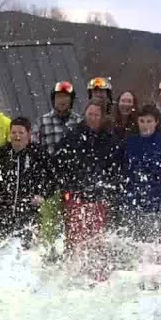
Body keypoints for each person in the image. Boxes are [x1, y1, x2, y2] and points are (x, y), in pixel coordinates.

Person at [56, 101, 123, 267]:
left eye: (96, 115)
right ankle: (73, 269)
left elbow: (116, 167)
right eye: (90, 114)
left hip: (99, 197)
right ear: (85, 115)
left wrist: (108, 186)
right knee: (75, 238)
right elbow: (59, 163)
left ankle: (97, 270)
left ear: (101, 117)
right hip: (76, 196)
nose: (92, 118)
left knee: (97, 239)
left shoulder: (110, 139)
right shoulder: (72, 136)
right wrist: (68, 185)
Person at [0, 116, 55, 252]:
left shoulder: (38, 154)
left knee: (25, 252)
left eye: (21, 133)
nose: (17, 137)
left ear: (28, 134)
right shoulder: (0, 154)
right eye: (14, 133)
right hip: (2, 212)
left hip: (28, 212)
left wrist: (42, 194)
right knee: (2, 250)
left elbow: (52, 179)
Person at [121, 105, 161, 241]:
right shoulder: (130, 142)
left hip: (157, 203)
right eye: (142, 121)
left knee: (156, 244)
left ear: (156, 122)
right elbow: (125, 170)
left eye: (149, 121)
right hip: (133, 202)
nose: (145, 125)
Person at [37, 81, 81, 154]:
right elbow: (35, 147)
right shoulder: (42, 122)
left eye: (65, 97)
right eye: (59, 97)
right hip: (49, 163)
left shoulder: (79, 122)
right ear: (53, 100)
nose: (62, 100)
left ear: (71, 100)